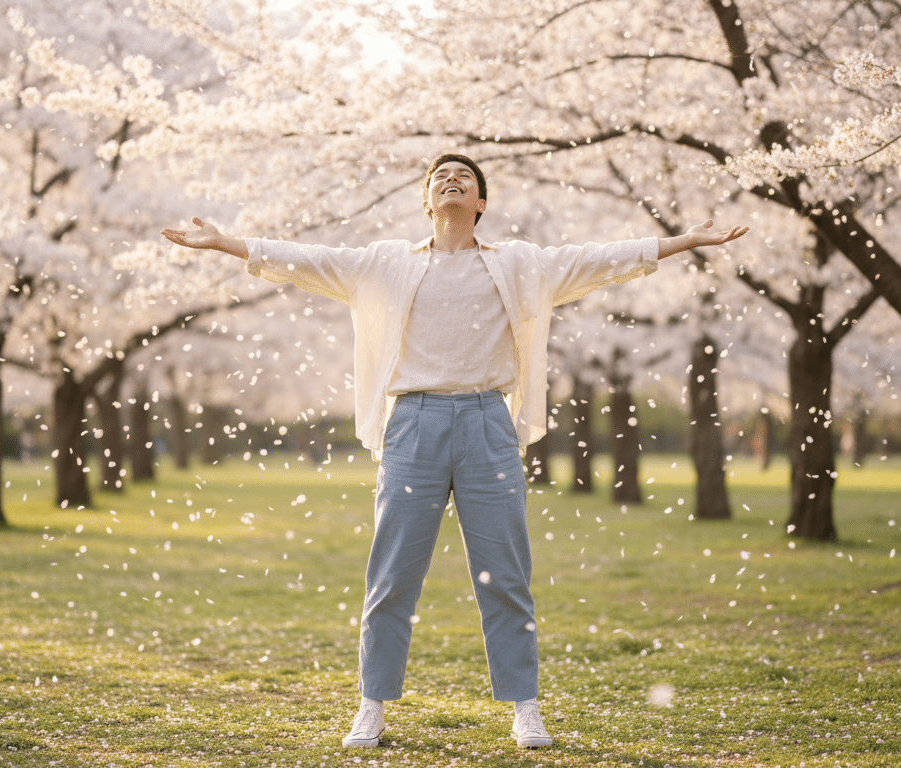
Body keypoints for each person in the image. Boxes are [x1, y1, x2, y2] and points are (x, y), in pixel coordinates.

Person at [161, 153, 748, 749]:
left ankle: (525, 707)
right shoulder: (386, 263)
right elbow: (307, 260)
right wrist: (226, 243)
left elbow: (599, 260)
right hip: (412, 425)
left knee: (506, 574)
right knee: (392, 574)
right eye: (440, 177)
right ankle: (371, 705)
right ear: (427, 201)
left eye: (464, 177)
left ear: (480, 202)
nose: (451, 180)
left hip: (488, 424)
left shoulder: (520, 264)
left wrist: (683, 241)